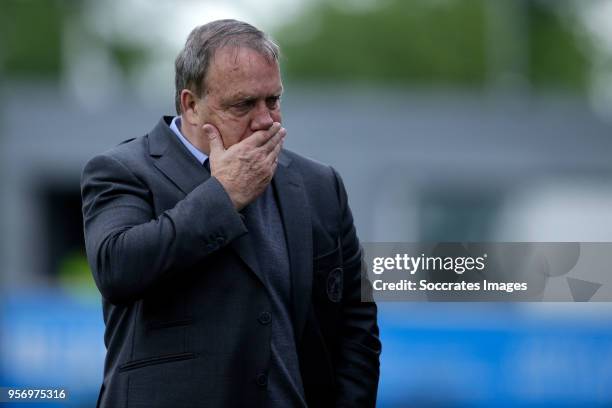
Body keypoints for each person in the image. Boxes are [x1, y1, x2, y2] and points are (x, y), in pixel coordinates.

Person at [81, 19, 381, 408]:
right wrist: (222, 195)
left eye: (273, 100)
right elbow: (117, 269)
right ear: (190, 105)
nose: (265, 120)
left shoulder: (319, 184)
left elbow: (356, 325)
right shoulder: (123, 169)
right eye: (243, 105)